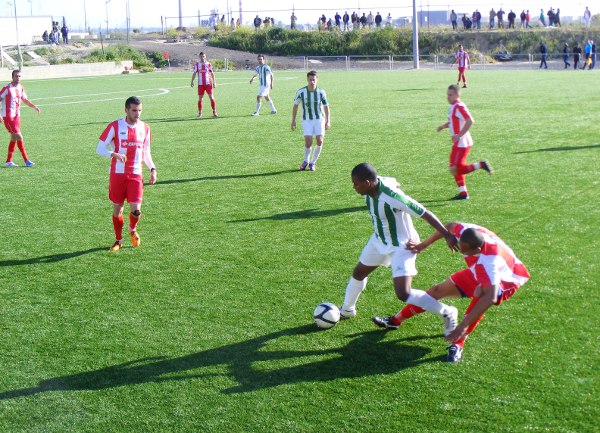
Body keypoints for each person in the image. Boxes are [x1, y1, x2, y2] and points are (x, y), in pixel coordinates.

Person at [374, 222, 530, 363]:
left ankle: (458, 344)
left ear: (476, 250)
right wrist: (425, 244)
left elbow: (490, 297)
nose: (461, 252)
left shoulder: (489, 262)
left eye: (464, 250)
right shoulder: (465, 231)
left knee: (479, 300)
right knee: (436, 291)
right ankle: (395, 320)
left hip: (507, 279)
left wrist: (462, 325)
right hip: (482, 271)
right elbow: (449, 226)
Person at [340, 163, 459, 337]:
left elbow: (424, 212)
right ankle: (347, 309)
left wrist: (447, 235)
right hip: (379, 240)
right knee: (359, 273)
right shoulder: (375, 184)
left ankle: (447, 312)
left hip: (402, 245)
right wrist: (395, 182)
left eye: (356, 183)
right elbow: (391, 179)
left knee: (403, 293)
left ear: (367, 182)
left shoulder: (392, 196)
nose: (354, 187)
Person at [96, 96, 157, 252]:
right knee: (118, 209)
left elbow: (146, 152)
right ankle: (118, 240)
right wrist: (113, 154)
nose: (138, 114)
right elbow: (99, 148)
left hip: (136, 174)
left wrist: (153, 169)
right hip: (118, 174)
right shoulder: (115, 126)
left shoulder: (145, 128)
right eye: (134, 110)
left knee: (136, 210)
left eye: (140, 110)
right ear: (126, 110)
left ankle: (132, 228)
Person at [437, 84, 493, 200]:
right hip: (458, 142)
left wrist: (459, 135)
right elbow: (453, 122)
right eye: (447, 95)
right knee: (453, 168)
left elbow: (470, 121)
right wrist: (443, 126)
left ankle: (480, 165)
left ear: (457, 95)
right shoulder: (453, 106)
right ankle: (463, 193)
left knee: (455, 169)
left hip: (462, 142)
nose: (448, 97)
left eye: (450, 95)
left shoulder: (459, 106)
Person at [291, 71, 330, 171]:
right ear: (307, 80)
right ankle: (306, 160)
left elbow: (326, 107)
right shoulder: (301, 92)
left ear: (317, 80)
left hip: (319, 119)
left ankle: (313, 162)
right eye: (310, 80)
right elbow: (295, 106)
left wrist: (328, 121)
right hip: (307, 120)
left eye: (314, 80)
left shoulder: (321, 92)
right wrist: (293, 120)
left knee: (320, 140)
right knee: (308, 142)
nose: (312, 82)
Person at [0, 70, 40, 167]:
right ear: (12, 77)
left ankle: (8, 161)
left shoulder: (20, 87)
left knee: (14, 137)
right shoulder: (7, 88)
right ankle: (26, 160)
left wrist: (34, 106)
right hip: (8, 117)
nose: (18, 78)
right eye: (16, 76)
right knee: (19, 137)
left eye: (19, 76)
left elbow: (25, 100)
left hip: (17, 116)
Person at [190, 52, 217, 118]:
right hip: (200, 84)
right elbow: (194, 73)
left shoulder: (208, 64)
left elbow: (212, 73)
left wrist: (214, 82)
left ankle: (214, 111)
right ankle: (200, 113)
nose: (202, 57)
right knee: (200, 99)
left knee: (211, 97)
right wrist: (192, 81)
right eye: (201, 56)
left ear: (205, 57)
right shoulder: (197, 64)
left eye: (203, 56)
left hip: (208, 84)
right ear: (199, 57)